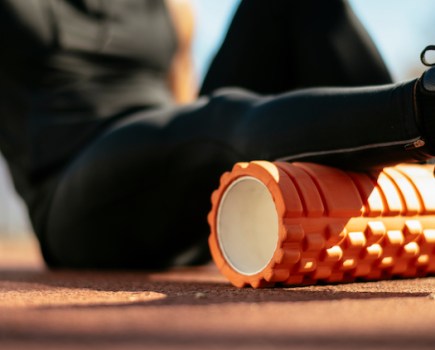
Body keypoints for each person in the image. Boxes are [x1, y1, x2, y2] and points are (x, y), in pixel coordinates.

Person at [1, 0, 434, 269]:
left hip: (178, 168)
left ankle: (415, 190)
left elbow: (180, 92)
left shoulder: (171, 6)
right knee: (214, 125)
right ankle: (424, 108)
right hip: (76, 203)